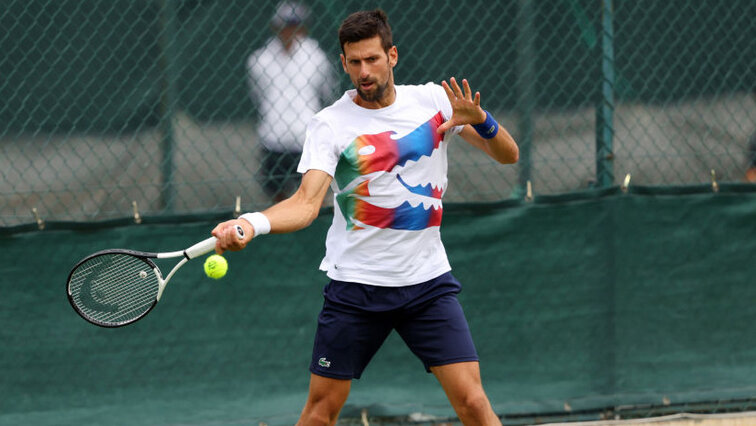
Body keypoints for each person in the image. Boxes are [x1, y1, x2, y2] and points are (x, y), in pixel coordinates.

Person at [217, 9, 518, 425]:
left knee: (473, 403)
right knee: (321, 411)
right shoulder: (330, 125)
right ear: (343, 63)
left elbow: (509, 155)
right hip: (356, 289)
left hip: (426, 284)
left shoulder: (433, 101)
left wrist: (482, 120)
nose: (364, 71)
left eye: (373, 59)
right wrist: (252, 222)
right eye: (354, 62)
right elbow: (306, 204)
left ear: (392, 56)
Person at [246, 1, 337, 201]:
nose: (290, 31)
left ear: (303, 27)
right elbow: (258, 96)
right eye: (286, 25)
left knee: (311, 196)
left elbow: (327, 94)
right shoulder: (260, 60)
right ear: (276, 27)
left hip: (306, 138)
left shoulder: (316, 57)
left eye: (295, 25)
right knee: (277, 195)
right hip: (273, 137)